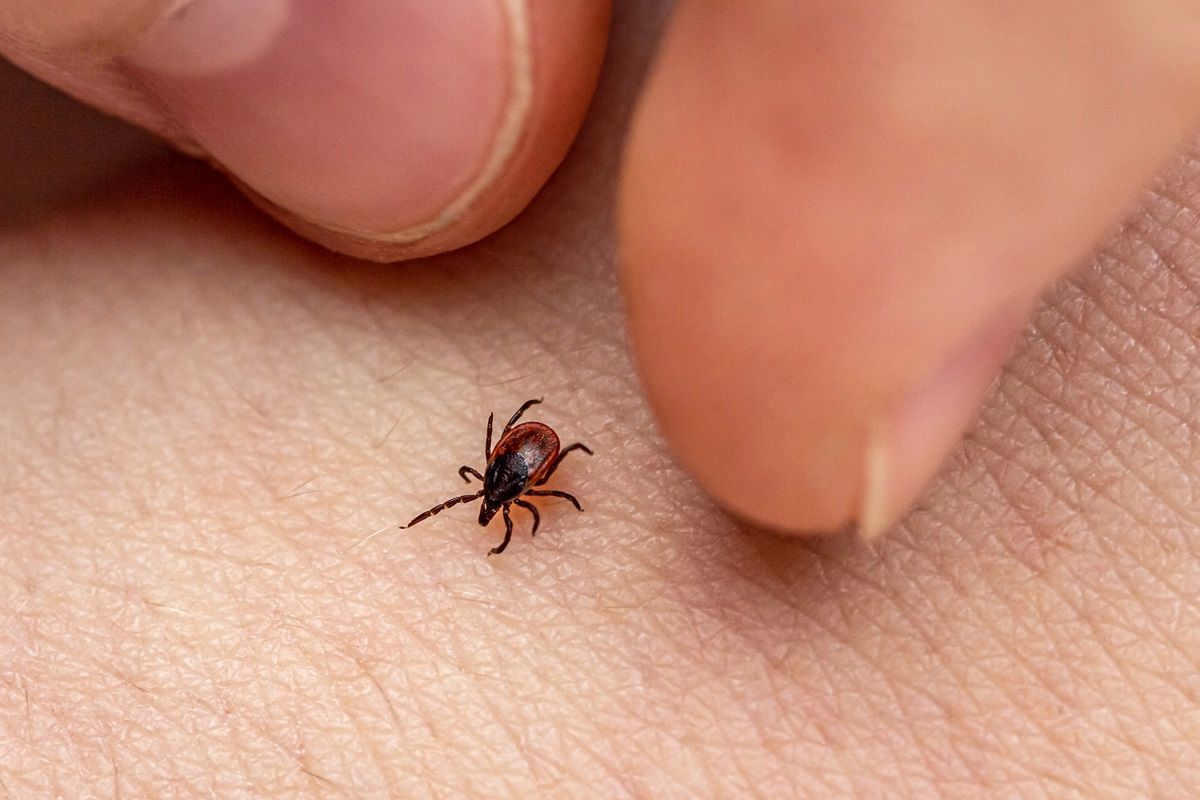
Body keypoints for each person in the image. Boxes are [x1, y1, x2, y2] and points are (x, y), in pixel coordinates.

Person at [2, 2, 1198, 795]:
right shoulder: (526, 472)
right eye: (498, 493)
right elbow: (529, 434)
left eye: (503, 491)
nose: (500, 494)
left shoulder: (521, 474)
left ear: (511, 483)